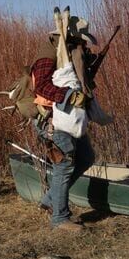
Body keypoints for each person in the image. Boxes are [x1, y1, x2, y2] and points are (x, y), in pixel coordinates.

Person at [31, 16, 99, 232]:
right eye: (81, 40)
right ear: (70, 37)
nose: (84, 44)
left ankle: (51, 199)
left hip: (71, 118)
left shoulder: (72, 53)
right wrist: (68, 95)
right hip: (51, 119)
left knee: (86, 157)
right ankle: (60, 218)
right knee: (65, 163)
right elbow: (41, 86)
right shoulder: (48, 53)